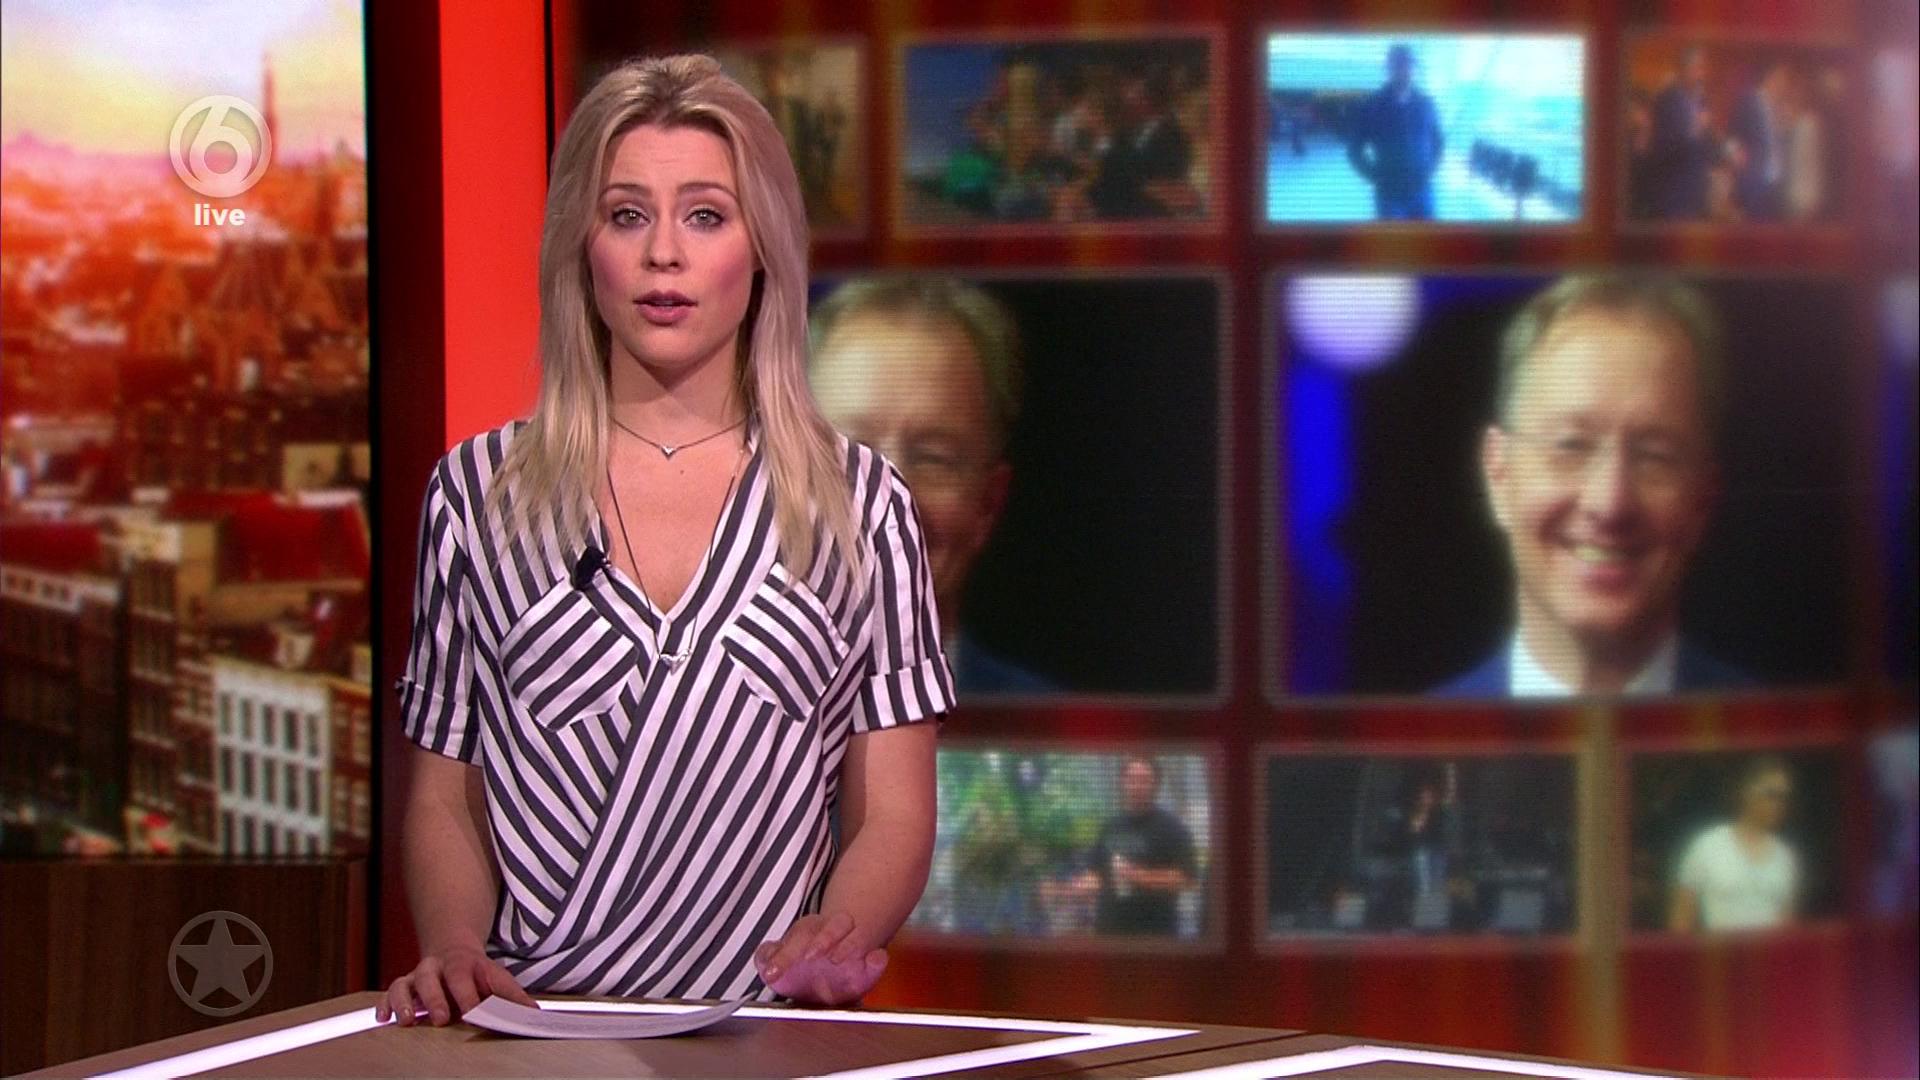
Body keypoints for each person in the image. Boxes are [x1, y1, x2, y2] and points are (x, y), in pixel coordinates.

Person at [379, 55, 951, 1026]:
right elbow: (444, 796)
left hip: (757, 1032)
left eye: (706, 215)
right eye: (627, 215)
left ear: (763, 248)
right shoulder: (477, 495)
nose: (663, 256)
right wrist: (456, 951)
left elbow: (892, 810)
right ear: (581, 244)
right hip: (529, 1031)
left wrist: (837, 935)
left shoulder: (860, 506)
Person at [1436, 274, 1753, 697]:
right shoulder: (1408, 740)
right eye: (1571, 446)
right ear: (1498, 474)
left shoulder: (1788, 734)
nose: (1610, 502)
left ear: (1702, 500)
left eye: (1654, 456)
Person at [809, 277, 1054, 694]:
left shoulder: (1050, 722)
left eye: (933, 458)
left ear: (987, 505)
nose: (887, 496)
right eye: (851, 453)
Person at [1066, 757, 1198, 936]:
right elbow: (1096, 873)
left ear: (1156, 785)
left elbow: (1187, 879)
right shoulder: (1110, 826)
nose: (1137, 786)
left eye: (1144, 780)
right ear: (1123, 783)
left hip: (1155, 935)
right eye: (1132, 779)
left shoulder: (1173, 828)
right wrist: (1081, 887)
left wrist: (1138, 876)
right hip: (1109, 932)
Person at [1668, 756, 1802, 932]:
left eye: (1784, 797)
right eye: (1771, 795)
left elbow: (1787, 927)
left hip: (1770, 951)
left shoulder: (1785, 857)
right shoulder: (1707, 846)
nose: (1779, 804)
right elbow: (1681, 922)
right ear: (1747, 794)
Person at [1345, 43, 1444, 221]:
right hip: (1390, 197)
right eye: (1399, 65)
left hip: (1423, 191)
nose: (1405, 70)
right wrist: (1376, 177)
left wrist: (1430, 169)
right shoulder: (1371, 106)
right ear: (1389, 68)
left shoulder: (1426, 103)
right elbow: (1354, 150)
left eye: (1409, 65)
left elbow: (1438, 140)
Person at [1644, 46, 1725, 221]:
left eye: (1703, 68)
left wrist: (1724, 153)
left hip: (1697, 191)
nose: (1702, 74)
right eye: (1698, 68)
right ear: (1684, 69)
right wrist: (1695, 128)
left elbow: (1707, 141)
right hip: (1674, 194)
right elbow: (1664, 147)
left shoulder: (1700, 100)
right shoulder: (1667, 100)